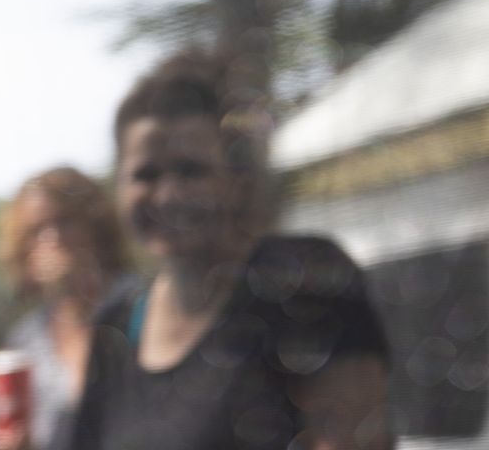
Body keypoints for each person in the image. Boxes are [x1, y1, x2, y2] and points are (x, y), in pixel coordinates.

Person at [67, 51, 394, 450]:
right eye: (146, 175)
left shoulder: (303, 278)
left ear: (240, 182)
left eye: (191, 170)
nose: (168, 195)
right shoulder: (115, 323)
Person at [0, 166, 131, 450]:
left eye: (64, 222)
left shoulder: (139, 303)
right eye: (36, 230)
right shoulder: (27, 339)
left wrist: (83, 288)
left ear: (95, 226)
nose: (52, 238)